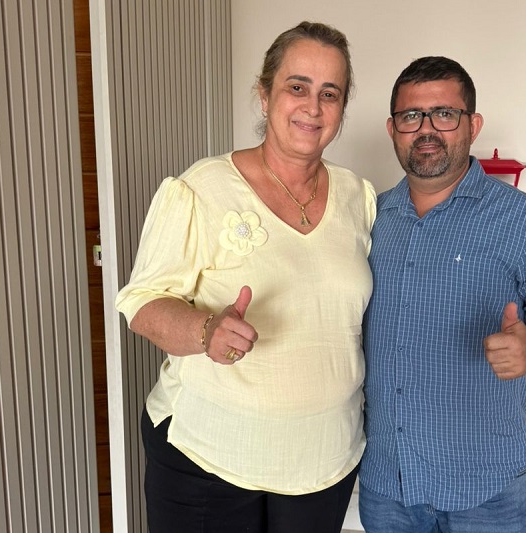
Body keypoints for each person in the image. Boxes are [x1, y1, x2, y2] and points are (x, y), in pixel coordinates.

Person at [115, 21, 376, 533]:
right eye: (297, 86)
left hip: (322, 461)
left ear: (342, 107)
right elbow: (142, 302)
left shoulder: (358, 197)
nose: (313, 107)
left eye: (330, 93)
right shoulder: (203, 188)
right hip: (208, 456)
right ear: (264, 94)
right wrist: (204, 331)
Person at [359, 56, 526, 533]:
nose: (427, 129)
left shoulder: (524, 220)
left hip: (488, 494)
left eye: (445, 114)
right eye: (411, 116)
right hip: (388, 487)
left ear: (473, 124)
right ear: (392, 129)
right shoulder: (368, 218)